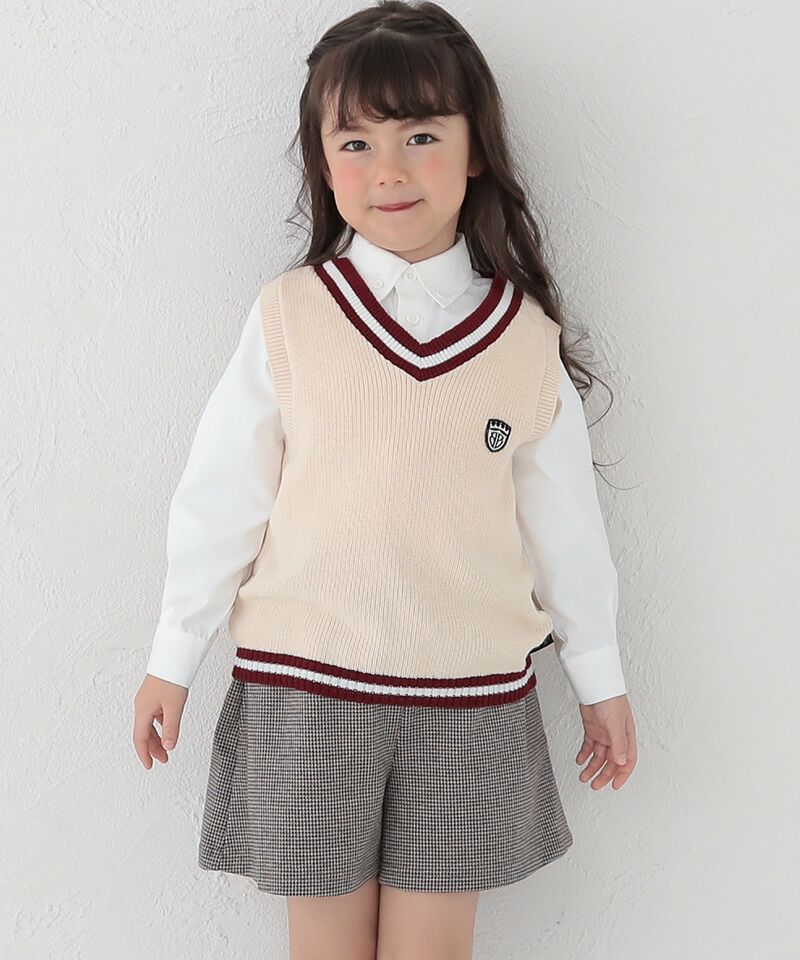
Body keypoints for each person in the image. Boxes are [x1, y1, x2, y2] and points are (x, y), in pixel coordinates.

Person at [132, 2, 638, 957]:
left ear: (475, 148)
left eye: (421, 135)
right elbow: (223, 496)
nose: (389, 170)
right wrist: (174, 652)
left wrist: (599, 676)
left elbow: (566, 529)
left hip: (469, 701)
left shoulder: (522, 340)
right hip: (307, 691)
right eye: (356, 142)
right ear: (324, 165)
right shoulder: (291, 315)